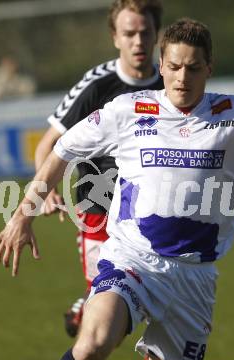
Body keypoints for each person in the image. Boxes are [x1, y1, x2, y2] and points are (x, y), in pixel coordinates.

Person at [0, 18, 234, 360]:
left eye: (194, 68)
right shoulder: (128, 110)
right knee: (95, 341)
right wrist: (23, 215)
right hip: (133, 259)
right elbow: (63, 150)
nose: (183, 77)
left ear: (209, 68)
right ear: (161, 65)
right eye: (175, 67)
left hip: (194, 279)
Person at [34, 0, 163, 338]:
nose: (138, 41)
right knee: (106, 320)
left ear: (156, 34)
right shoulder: (97, 85)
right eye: (129, 33)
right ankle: (86, 309)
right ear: (115, 37)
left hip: (154, 210)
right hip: (98, 207)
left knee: (158, 310)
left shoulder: (172, 83)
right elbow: (47, 145)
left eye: (145, 32)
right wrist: (46, 191)